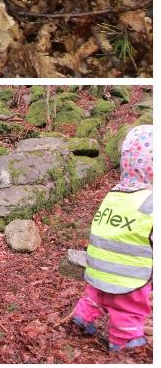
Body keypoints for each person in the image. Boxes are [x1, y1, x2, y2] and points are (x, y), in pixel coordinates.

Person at [71, 124, 152, 353]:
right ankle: (124, 341)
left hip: (98, 266)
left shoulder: (115, 193)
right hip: (128, 274)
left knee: (96, 293)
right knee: (128, 305)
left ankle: (83, 315)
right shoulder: (151, 201)